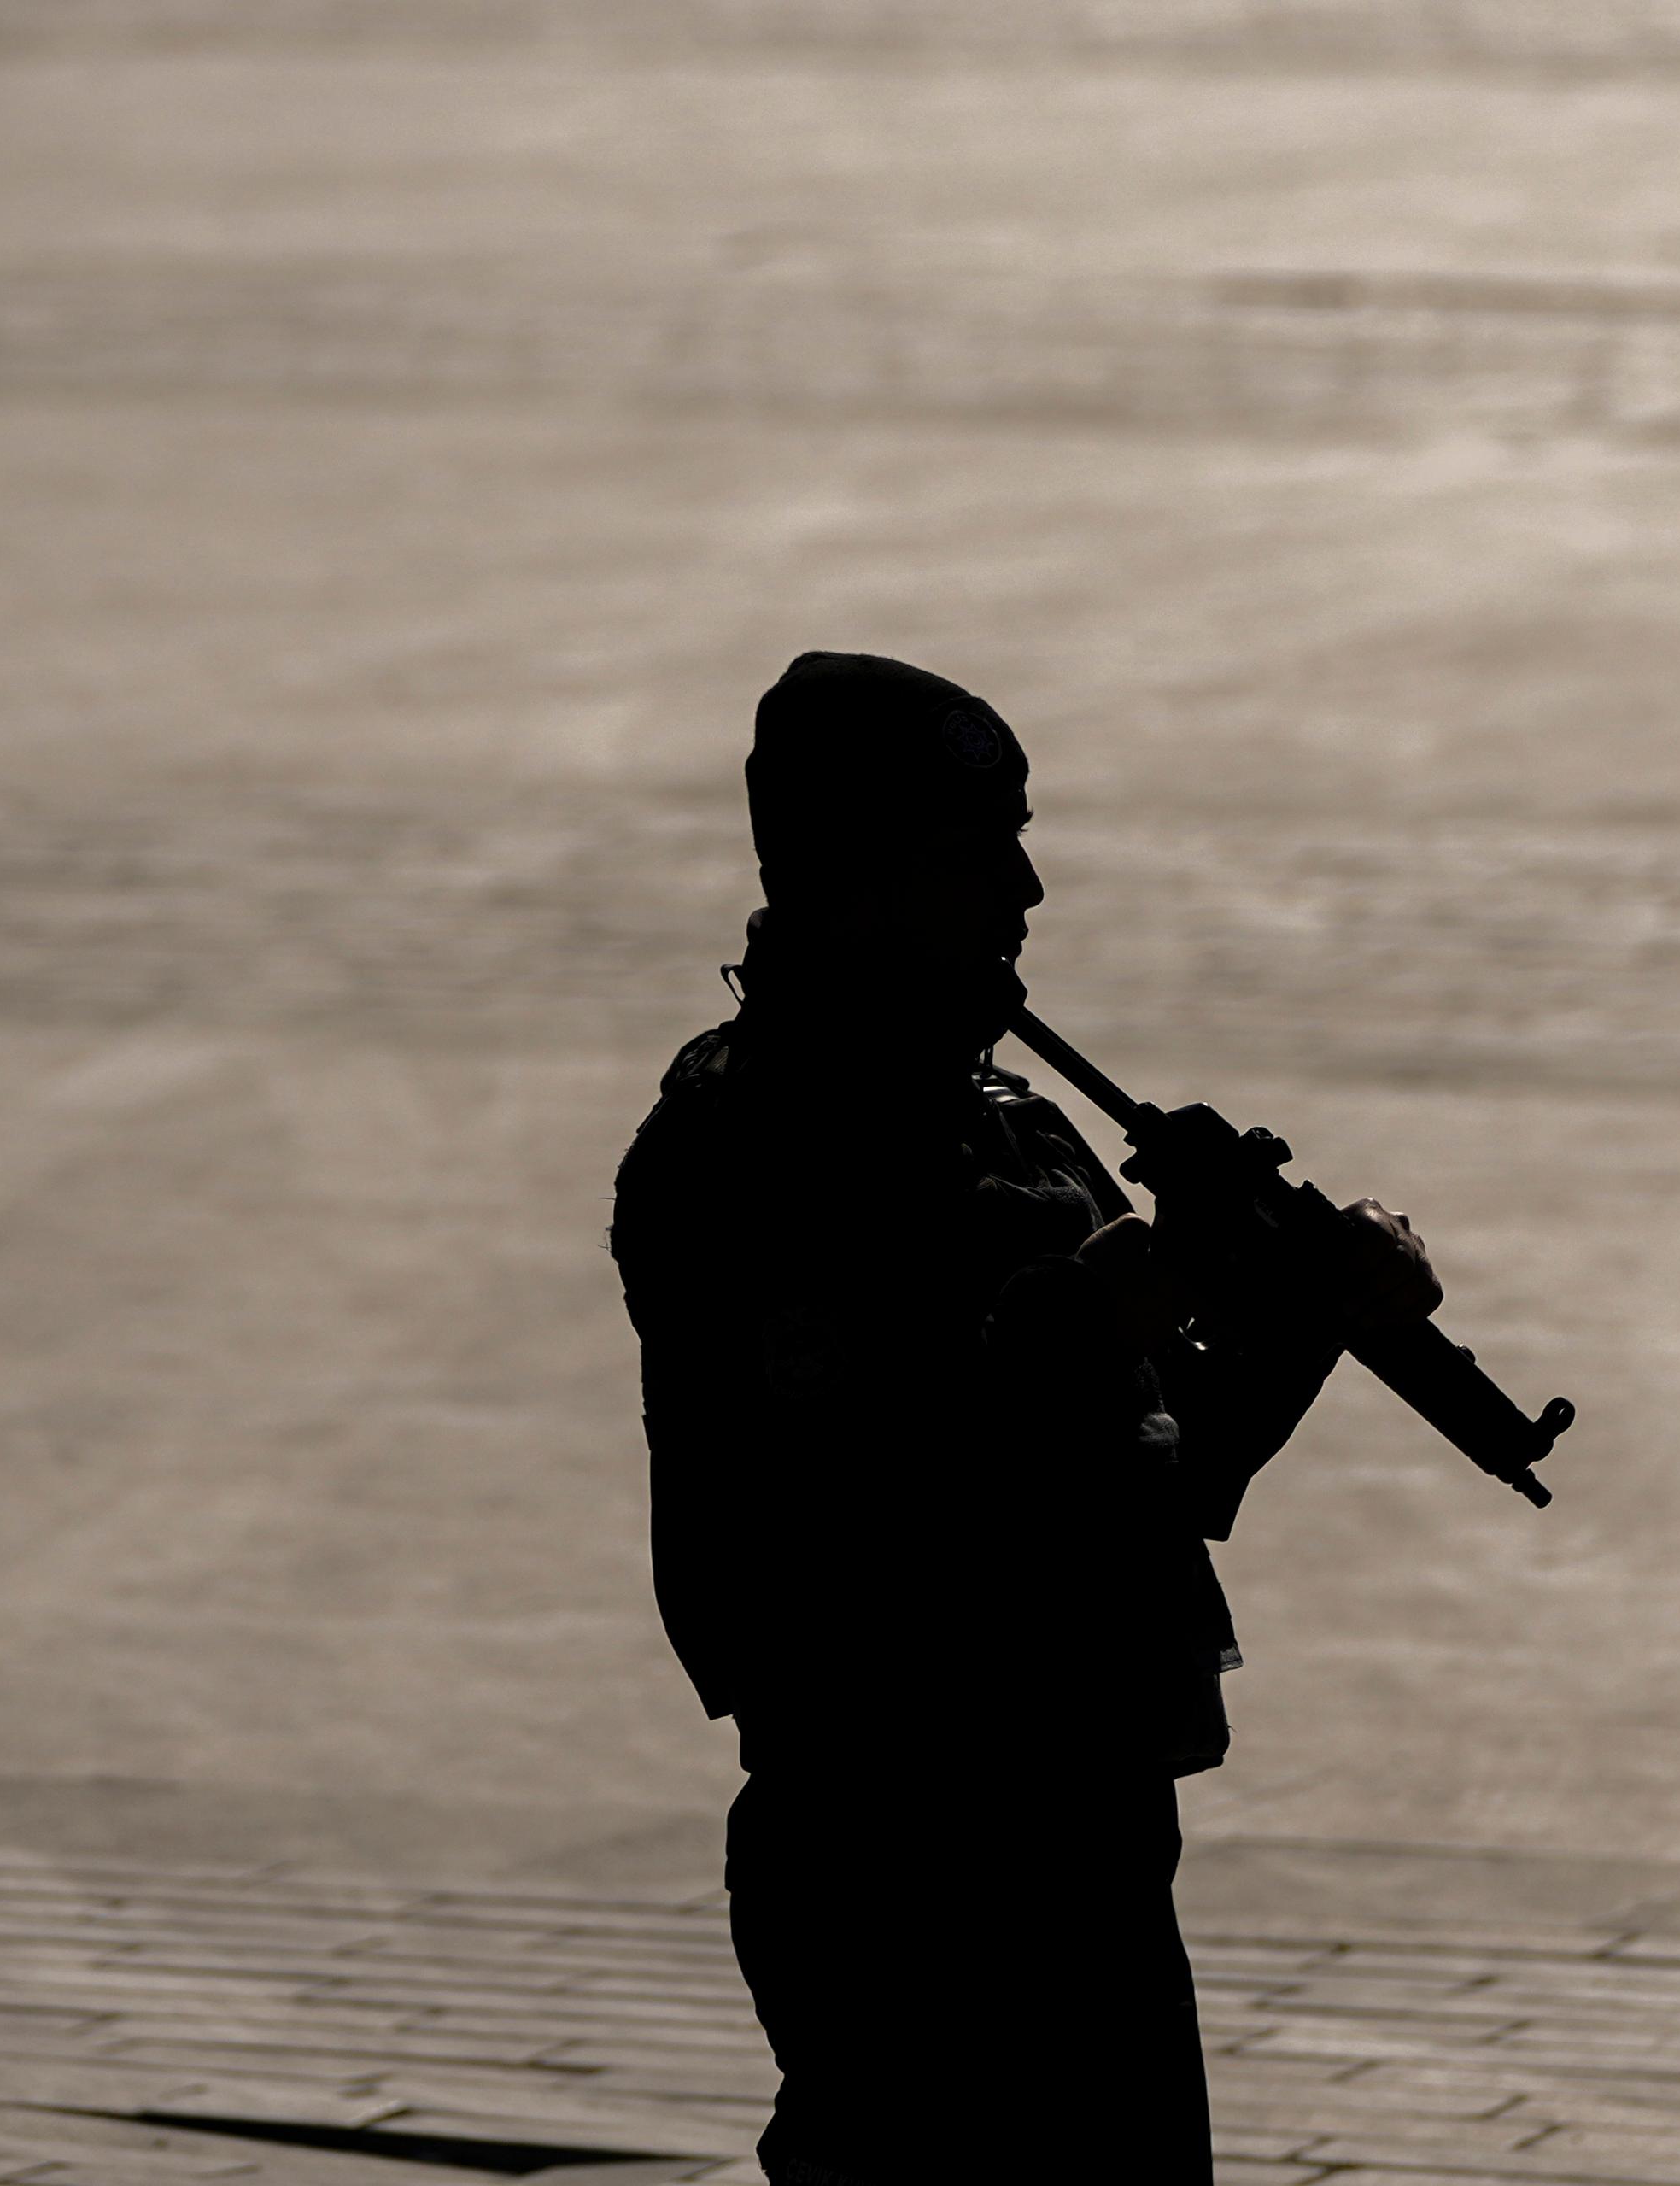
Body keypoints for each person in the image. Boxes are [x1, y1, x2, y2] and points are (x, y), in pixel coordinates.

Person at [608, 652, 1438, 2184]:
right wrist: (1065, 1332)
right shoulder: (741, 1150)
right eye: (977, 851)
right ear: (856, 885)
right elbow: (847, 1498)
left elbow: (1160, 1462)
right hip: (903, 1843)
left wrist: (1313, 1311)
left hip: (1083, 1824)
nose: (1030, 887)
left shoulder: (1011, 1122)